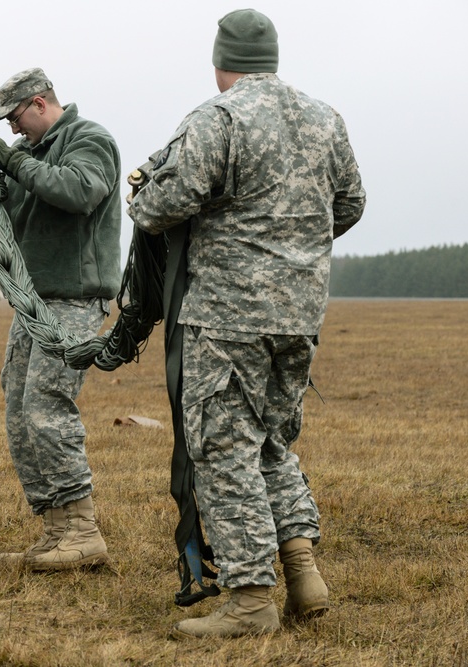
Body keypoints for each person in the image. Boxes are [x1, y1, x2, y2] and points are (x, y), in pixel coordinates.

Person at [127, 9, 366, 638]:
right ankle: (304, 574)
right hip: (300, 315)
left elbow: (159, 206)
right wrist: (292, 245)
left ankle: (252, 600)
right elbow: (351, 203)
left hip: (227, 319)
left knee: (224, 452)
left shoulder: (218, 118)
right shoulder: (325, 119)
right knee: (269, 442)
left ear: (219, 62)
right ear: (274, 58)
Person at [0, 68, 122, 570]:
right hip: (35, 302)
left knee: (45, 405)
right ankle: (55, 531)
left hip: (75, 299)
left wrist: (11, 161)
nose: (13, 130)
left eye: (15, 118)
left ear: (39, 103)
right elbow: (23, 210)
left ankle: (84, 531)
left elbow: (79, 193)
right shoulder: (32, 157)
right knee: (18, 408)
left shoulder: (89, 139)